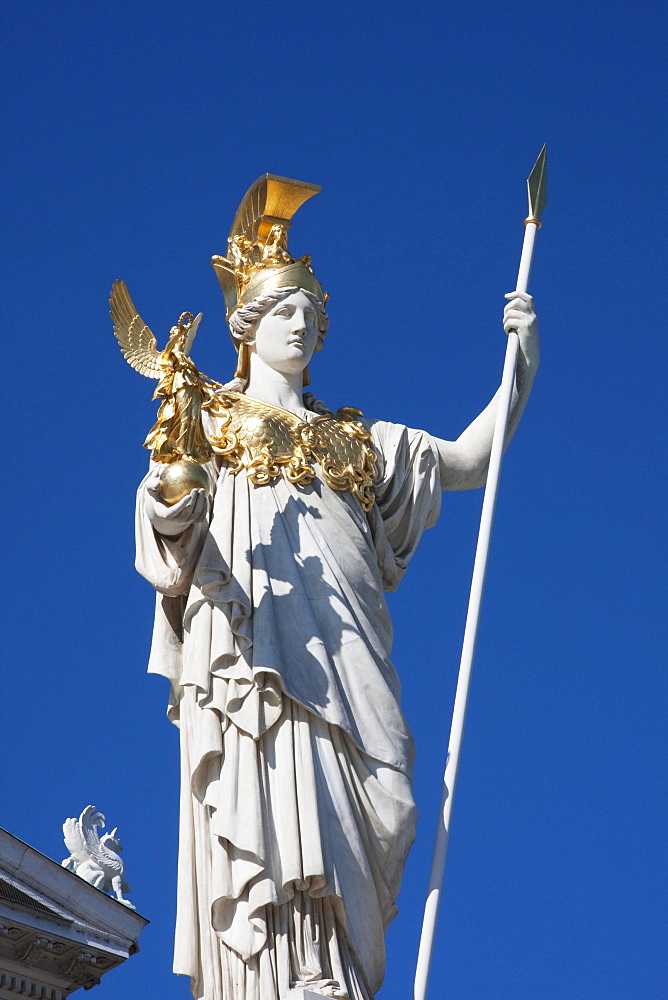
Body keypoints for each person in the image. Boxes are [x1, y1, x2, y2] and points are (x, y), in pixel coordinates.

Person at [134, 178, 539, 1000]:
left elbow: (470, 461)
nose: (304, 324)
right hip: (257, 657)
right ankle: (291, 974)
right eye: (287, 311)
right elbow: (166, 518)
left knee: (388, 800)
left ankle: (339, 967)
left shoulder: (361, 441)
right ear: (246, 327)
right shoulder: (212, 421)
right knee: (275, 800)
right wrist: (174, 492)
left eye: (313, 314)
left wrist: (520, 369)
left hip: (353, 659)